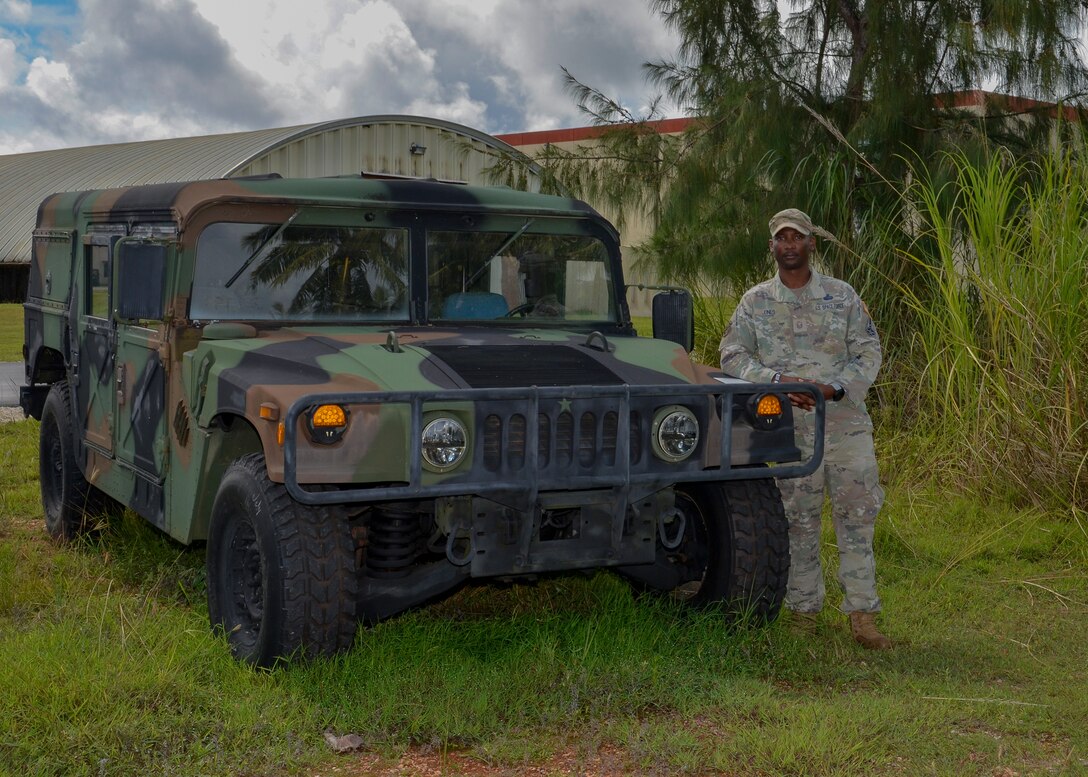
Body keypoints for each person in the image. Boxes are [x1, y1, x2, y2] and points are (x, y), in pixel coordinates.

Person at [718, 208, 891, 650]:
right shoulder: (755, 301)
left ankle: (863, 616)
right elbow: (732, 356)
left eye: (798, 237)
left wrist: (833, 388)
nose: (790, 244)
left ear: (812, 243)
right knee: (797, 523)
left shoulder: (842, 296)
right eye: (782, 238)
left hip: (845, 425)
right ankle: (803, 613)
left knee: (858, 518)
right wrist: (778, 381)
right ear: (772, 246)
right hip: (787, 430)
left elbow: (869, 351)